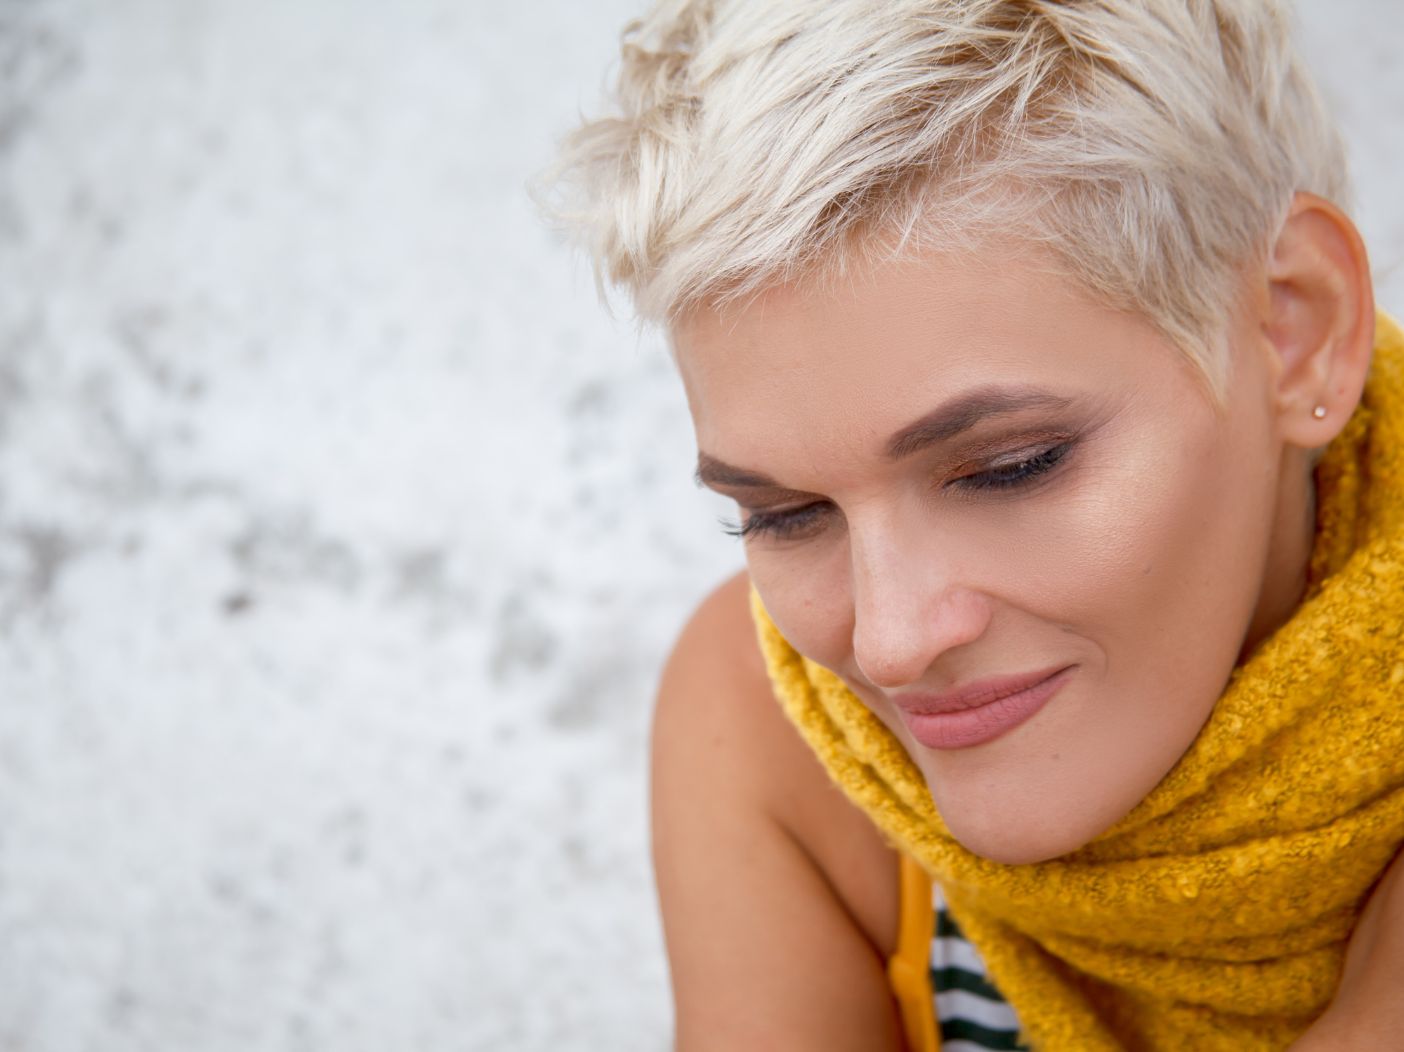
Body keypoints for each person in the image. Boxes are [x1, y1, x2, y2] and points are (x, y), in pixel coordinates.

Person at [545, 1, 1404, 1048]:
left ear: (1296, 329)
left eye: (1008, 468)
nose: (890, 641)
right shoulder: (771, 722)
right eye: (784, 514)